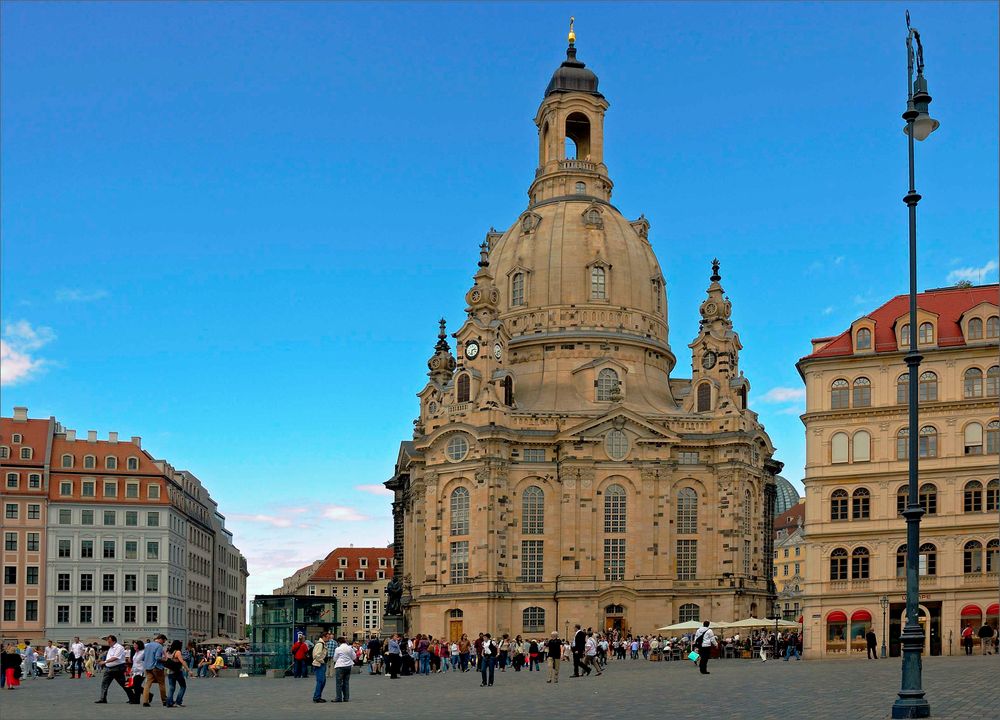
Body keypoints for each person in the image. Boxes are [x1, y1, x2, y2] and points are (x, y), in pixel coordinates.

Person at [94, 635, 135, 704]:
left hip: (117, 668)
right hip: (109, 668)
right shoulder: (111, 648)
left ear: (114, 641)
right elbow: (109, 657)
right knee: (106, 683)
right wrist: (102, 660)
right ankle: (103, 698)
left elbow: (116, 657)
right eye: (108, 641)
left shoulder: (119, 647)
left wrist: (104, 662)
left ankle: (133, 698)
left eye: (109, 641)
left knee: (123, 684)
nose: (108, 642)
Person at [141, 634, 169, 707]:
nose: (163, 643)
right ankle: (164, 700)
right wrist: (164, 659)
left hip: (147, 667)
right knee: (161, 683)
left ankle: (145, 701)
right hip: (156, 667)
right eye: (164, 641)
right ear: (161, 639)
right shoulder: (159, 646)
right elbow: (157, 657)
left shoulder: (147, 645)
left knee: (147, 684)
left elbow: (143, 657)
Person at [165, 640, 190, 707]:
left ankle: (169, 703)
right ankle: (178, 702)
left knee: (171, 687)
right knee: (183, 686)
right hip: (177, 672)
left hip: (170, 672)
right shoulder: (177, 652)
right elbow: (182, 661)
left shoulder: (168, 652)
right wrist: (188, 670)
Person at [332, 636, 356, 703]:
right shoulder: (350, 648)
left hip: (340, 666)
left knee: (339, 683)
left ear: (339, 642)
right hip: (348, 666)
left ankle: (338, 697)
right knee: (346, 682)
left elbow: (335, 659)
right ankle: (346, 698)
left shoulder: (338, 649)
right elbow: (354, 657)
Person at [311, 631, 332, 702]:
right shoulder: (320, 644)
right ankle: (317, 697)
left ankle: (318, 696)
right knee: (321, 681)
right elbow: (317, 655)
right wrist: (322, 661)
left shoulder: (322, 644)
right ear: (324, 637)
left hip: (320, 664)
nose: (329, 639)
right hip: (319, 664)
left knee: (322, 681)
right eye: (328, 637)